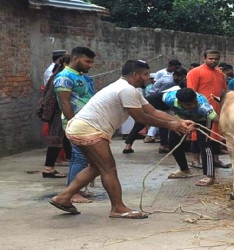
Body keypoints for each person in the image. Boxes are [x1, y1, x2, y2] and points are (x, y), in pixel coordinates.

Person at [49, 60, 193, 217]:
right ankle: (118, 208)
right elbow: (141, 118)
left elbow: (152, 111)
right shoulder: (126, 90)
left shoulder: (129, 90)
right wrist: (170, 126)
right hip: (89, 130)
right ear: (135, 75)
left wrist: (178, 121)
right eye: (145, 74)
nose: (148, 78)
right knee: (108, 168)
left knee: (97, 167)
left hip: (82, 128)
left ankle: (64, 197)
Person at [54, 46, 96, 203]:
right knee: (79, 156)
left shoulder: (79, 75)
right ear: (75, 58)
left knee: (80, 157)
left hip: (86, 121)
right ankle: (73, 193)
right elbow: (65, 103)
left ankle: (74, 189)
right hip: (77, 122)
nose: (90, 65)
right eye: (87, 61)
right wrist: (73, 123)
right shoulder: (64, 77)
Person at [123, 69, 187, 154]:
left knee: (139, 125)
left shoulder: (175, 89)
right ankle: (163, 146)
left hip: (154, 103)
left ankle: (128, 146)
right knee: (163, 124)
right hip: (153, 104)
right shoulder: (177, 92)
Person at [187, 49, 228, 169]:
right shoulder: (195, 72)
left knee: (216, 135)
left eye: (216, 59)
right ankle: (195, 160)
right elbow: (191, 92)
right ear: (204, 58)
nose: (213, 61)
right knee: (198, 135)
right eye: (210, 58)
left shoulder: (220, 73)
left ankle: (216, 160)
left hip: (216, 109)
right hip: (200, 109)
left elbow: (224, 91)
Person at [41, 54, 72, 178]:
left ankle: (65, 161)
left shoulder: (57, 76)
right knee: (56, 139)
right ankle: (48, 168)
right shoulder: (60, 78)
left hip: (58, 113)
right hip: (58, 113)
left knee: (64, 139)